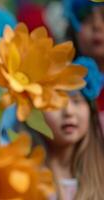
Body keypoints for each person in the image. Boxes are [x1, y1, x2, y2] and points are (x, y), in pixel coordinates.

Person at [37, 57, 104, 200]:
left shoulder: (100, 178)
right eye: (55, 102)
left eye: (77, 101)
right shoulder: (27, 177)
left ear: (90, 112)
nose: (69, 112)